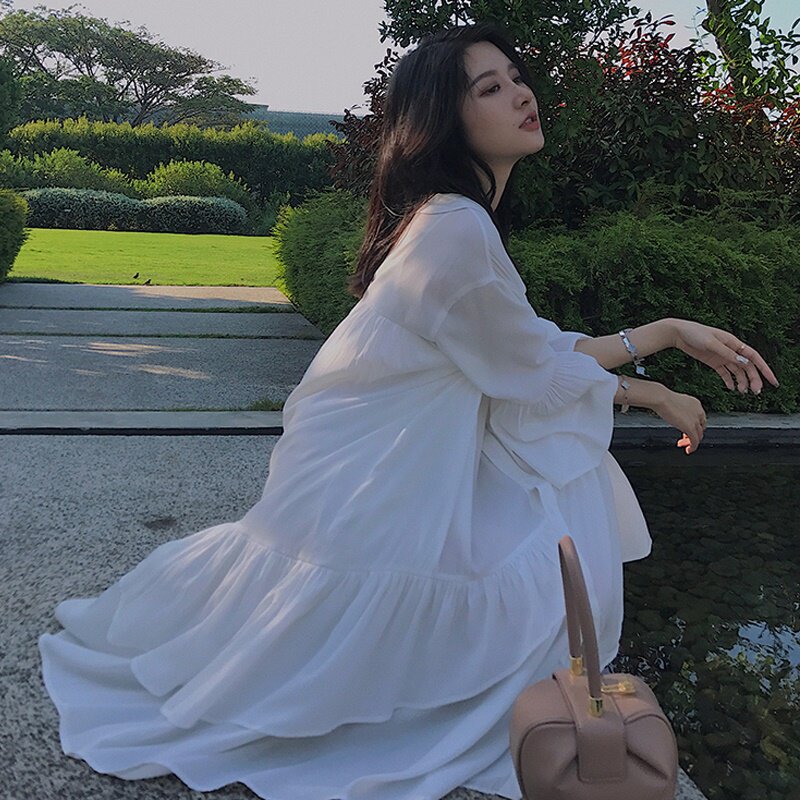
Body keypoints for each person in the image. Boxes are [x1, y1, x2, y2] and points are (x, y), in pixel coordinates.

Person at [38, 20, 779, 800]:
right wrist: (656, 372)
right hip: (378, 472)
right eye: (488, 87)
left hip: (377, 458)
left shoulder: (451, 218)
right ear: (445, 121)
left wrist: (662, 343)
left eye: (515, 76)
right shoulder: (455, 229)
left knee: (548, 503)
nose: (519, 93)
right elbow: (528, 373)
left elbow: (521, 349)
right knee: (570, 495)